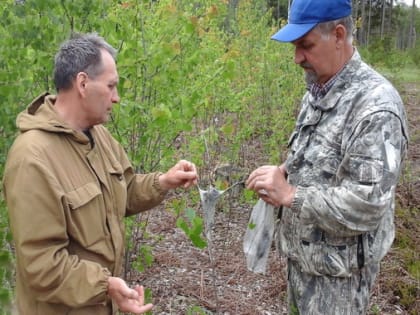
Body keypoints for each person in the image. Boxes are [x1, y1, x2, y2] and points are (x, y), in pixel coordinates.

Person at [3, 33, 198, 315]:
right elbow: (42, 265)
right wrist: (105, 285)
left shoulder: (100, 137)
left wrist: (163, 182)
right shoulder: (32, 159)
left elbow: (124, 191)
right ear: (82, 83)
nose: (116, 98)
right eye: (111, 86)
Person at [246, 0, 409, 314]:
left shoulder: (376, 107)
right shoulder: (319, 89)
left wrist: (291, 194)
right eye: (295, 47)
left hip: (339, 281)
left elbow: (368, 205)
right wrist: (282, 174)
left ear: (338, 35)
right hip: (303, 265)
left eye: (305, 45)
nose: (297, 58)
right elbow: (316, 159)